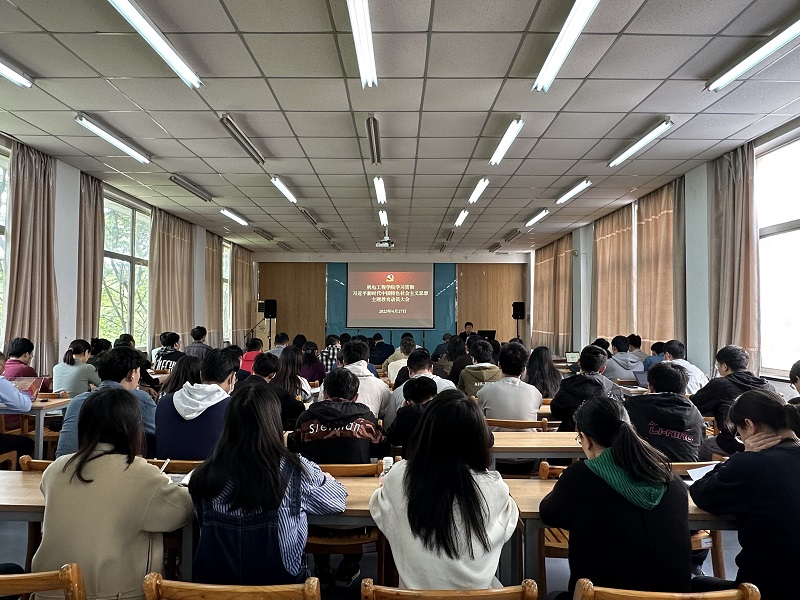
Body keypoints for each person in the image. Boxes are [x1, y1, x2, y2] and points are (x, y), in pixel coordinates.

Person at [32, 388, 194, 600]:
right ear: (133, 429)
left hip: (48, 594)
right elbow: (184, 510)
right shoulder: (141, 475)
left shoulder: (56, 468)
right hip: (118, 595)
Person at [189, 382, 347, 585]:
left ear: (228, 425)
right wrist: (327, 479)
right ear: (274, 423)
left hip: (214, 592)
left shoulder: (204, 475)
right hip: (281, 592)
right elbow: (338, 501)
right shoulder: (295, 471)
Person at [540, 396, 691, 599]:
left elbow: (549, 514)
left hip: (598, 596)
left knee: (552, 595)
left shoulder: (580, 477)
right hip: (673, 598)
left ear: (586, 439)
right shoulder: (671, 481)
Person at [369, 390, 519, 589]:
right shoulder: (495, 487)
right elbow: (508, 523)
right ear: (480, 438)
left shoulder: (400, 477)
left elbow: (380, 509)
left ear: (425, 432)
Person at [690, 390, 800, 600]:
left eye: (739, 434)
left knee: (694, 584)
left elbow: (700, 492)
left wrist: (743, 454)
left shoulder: (752, 464)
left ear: (749, 425)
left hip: (764, 590)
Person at [290, 369, 384, 587]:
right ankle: (350, 563)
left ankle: (321, 564)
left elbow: (294, 447)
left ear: (324, 393)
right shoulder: (367, 419)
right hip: (358, 505)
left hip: (314, 508)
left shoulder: (306, 418)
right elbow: (381, 447)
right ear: (356, 396)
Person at [56, 346, 157, 458]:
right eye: (139, 371)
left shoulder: (77, 401)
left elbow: (64, 450)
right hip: (121, 465)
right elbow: (159, 434)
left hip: (72, 464)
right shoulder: (138, 398)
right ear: (132, 374)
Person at [691, 345, 775, 458]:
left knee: (698, 448)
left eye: (718, 365)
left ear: (724, 366)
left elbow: (693, 406)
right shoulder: (767, 386)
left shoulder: (720, 384)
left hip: (732, 443)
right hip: (767, 444)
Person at [155, 348, 238, 460]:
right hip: (212, 470)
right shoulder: (234, 407)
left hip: (166, 469)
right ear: (232, 377)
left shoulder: (164, 402)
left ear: (201, 375)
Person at [625, 362, 705, 462]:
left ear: (650, 386)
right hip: (689, 470)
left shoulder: (632, 405)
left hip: (644, 468)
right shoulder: (695, 413)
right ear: (684, 390)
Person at [550, 345, 624, 432]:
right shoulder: (614, 389)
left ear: (579, 363)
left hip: (571, 432)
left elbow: (556, 410)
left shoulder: (567, 385)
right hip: (605, 435)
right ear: (602, 369)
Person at [382, 348, 456, 429]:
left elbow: (388, 424)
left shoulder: (398, 392)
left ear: (409, 371)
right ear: (431, 368)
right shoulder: (448, 386)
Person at [478, 342, 543, 428]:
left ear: (499, 365)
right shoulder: (535, 392)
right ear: (524, 370)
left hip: (496, 436)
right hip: (528, 436)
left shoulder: (485, 391)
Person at [322, 341, 390, 419]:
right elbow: (383, 413)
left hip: (330, 425)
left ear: (344, 361)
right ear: (368, 362)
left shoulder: (328, 381)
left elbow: (321, 404)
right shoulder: (381, 386)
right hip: (368, 425)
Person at [246, 352, 305, 431]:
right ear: (272, 374)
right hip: (268, 434)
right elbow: (299, 409)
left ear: (252, 367)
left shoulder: (237, 387)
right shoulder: (278, 392)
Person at [386, 376, 437, 456]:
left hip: (416, 460)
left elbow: (394, 439)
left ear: (409, 401)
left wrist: (403, 408)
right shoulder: (448, 406)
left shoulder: (408, 412)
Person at [0, 351, 35, 467]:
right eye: (3, 367)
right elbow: (25, 406)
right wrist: (22, 392)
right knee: (27, 443)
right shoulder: (1, 381)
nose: (4, 370)